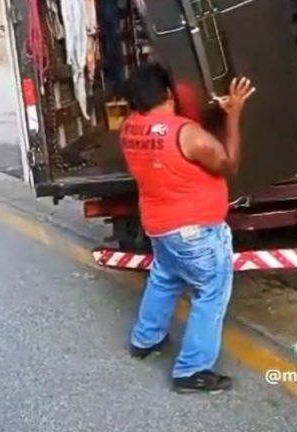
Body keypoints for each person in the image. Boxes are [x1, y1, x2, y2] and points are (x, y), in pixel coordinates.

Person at [119, 62, 255, 394]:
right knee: (210, 293)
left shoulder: (129, 128)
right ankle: (192, 370)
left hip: (160, 227)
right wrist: (233, 114)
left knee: (165, 278)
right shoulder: (185, 133)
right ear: (168, 93)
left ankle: (145, 339)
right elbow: (229, 163)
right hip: (196, 232)